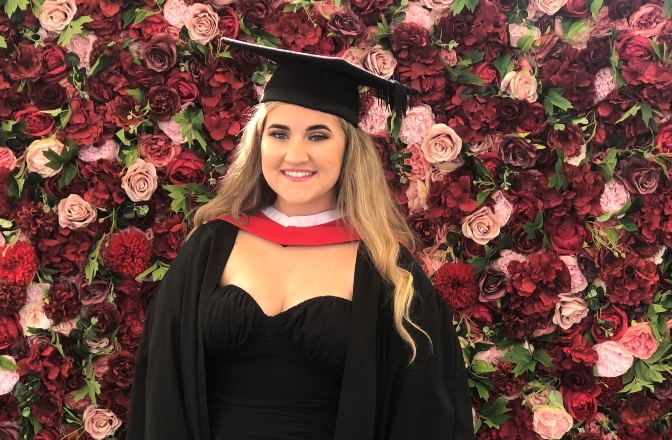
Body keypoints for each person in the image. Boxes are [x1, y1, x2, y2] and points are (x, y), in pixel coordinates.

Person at [127, 38, 475, 440]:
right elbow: (161, 387)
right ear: (259, 143)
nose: (295, 155)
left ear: (349, 149)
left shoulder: (386, 269)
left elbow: (425, 410)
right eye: (279, 133)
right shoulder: (211, 246)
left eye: (317, 136)